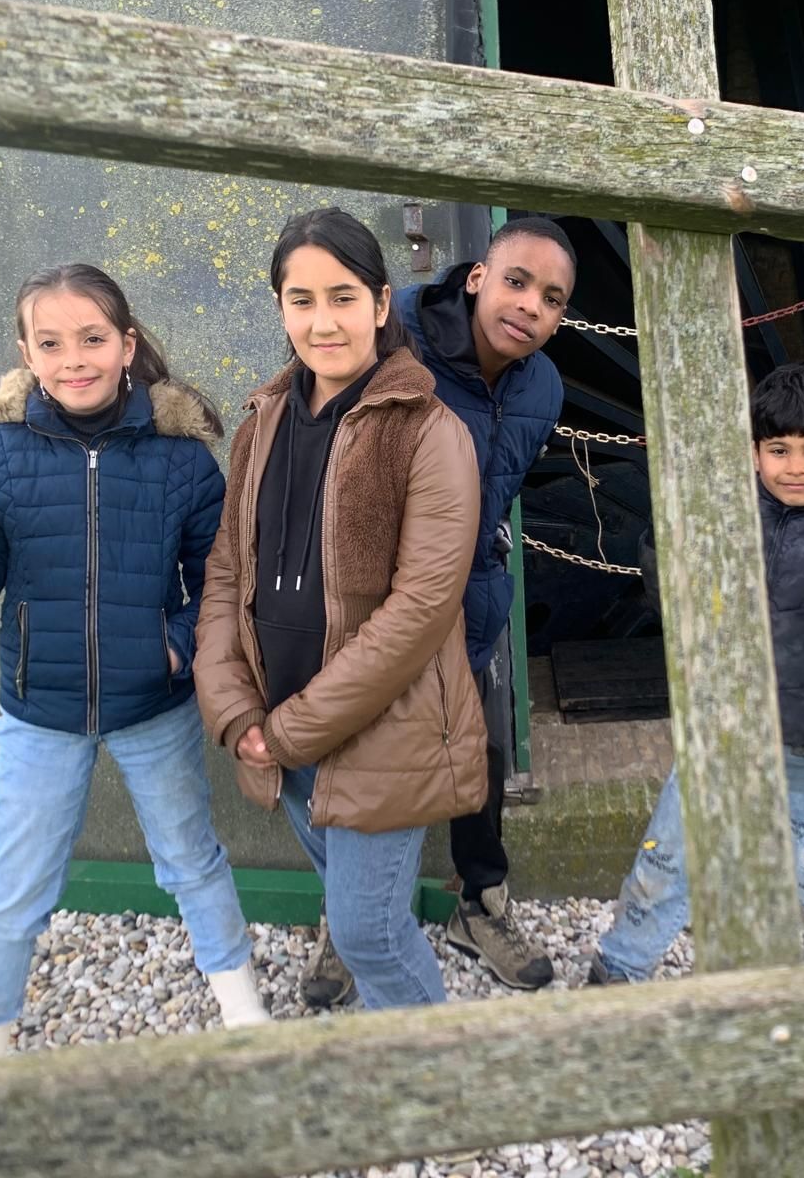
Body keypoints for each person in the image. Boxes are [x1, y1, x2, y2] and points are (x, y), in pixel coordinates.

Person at [0, 263, 267, 1059]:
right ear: (27, 355)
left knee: (193, 862)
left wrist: (171, 647)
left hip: (154, 708)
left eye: (93, 338)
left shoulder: (180, 461)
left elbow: (216, 585)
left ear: (127, 345)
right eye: (52, 342)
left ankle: (246, 1020)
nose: (75, 358)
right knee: (16, 888)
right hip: (40, 716)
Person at [193, 207, 485, 1009]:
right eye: (301, 299)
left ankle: (443, 1101)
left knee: (367, 935)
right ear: (281, 306)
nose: (323, 322)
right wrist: (237, 711)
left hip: (373, 732)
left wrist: (291, 730)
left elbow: (421, 609)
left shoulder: (430, 433)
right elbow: (227, 570)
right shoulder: (261, 424)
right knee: (365, 909)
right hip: (274, 728)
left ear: (382, 304)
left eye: (343, 296)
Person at [296, 216, 575, 1003]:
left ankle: (478, 904)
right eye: (517, 281)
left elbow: (498, 492)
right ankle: (344, 918)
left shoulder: (543, 385)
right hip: (370, 597)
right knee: (345, 748)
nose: (530, 306)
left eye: (552, 299)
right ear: (479, 276)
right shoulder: (396, 337)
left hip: (469, 600)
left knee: (477, 751)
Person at [587, 361, 804, 984]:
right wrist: (668, 539)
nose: (796, 467)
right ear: (753, 451)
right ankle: (619, 968)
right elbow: (673, 606)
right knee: (667, 860)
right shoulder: (725, 510)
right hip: (719, 728)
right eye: (779, 449)